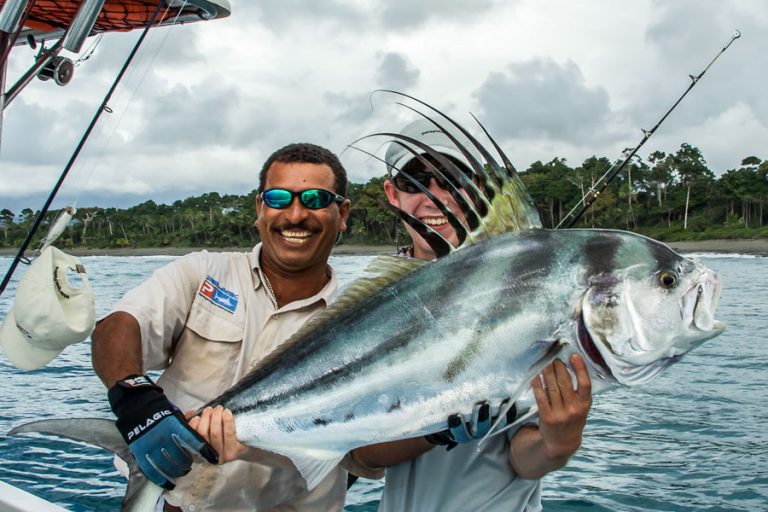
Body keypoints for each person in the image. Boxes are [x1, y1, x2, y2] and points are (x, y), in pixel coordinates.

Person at [91, 142, 354, 512]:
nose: (295, 215)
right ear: (260, 208)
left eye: (315, 198)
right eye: (279, 198)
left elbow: (360, 454)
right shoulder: (203, 273)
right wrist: (136, 400)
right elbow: (118, 326)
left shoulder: (356, 320)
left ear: (341, 213)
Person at [349, 118, 593, 511]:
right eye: (415, 182)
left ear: (476, 188)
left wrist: (558, 441)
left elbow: (524, 460)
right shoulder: (370, 300)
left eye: (450, 179)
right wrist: (434, 433)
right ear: (393, 194)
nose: (434, 198)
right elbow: (361, 457)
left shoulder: (530, 289)